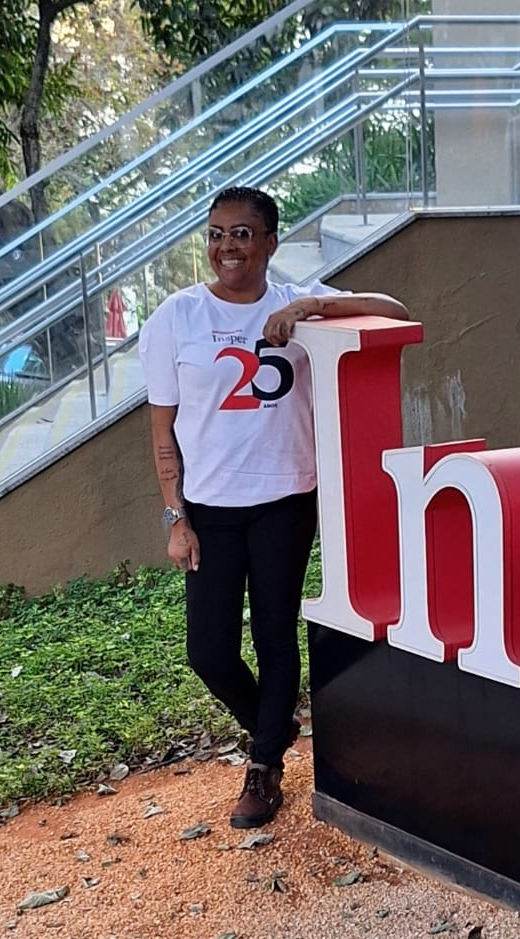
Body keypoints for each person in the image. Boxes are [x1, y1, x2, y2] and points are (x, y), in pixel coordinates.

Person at [140, 186, 409, 829]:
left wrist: (317, 307)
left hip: (286, 498)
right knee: (207, 651)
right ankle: (276, 720)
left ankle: (263, 767)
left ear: (269, 242)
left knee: (273, 632)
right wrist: (177, 518)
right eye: (214, 234)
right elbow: (162, 432)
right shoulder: (176, 318)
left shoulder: (298, 303)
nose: (225, 247)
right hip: (211, 506)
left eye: (240, 233)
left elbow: (395, 310)